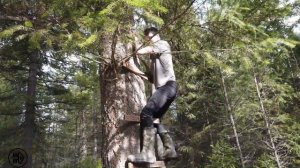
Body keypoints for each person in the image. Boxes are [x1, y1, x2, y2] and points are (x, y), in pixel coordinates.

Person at [127, 27, 178, 163]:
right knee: (153, 118)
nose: (149, 40)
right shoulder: (154, 59)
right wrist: (131, 68)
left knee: (146, 113)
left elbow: (142, 51)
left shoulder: (162, 44)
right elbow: (150, 77)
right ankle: (170, 149)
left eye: (150, 37)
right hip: (168, 89)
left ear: (156, 35)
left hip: (167, 86)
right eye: (147, 38)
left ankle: (147, 154)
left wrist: (135, 42)